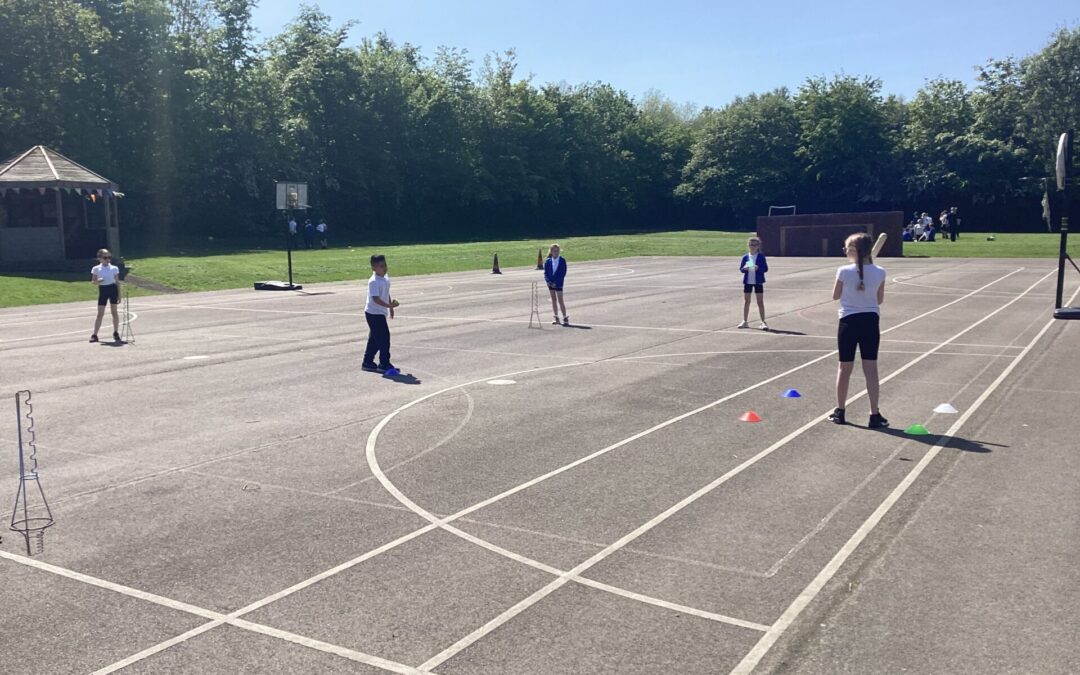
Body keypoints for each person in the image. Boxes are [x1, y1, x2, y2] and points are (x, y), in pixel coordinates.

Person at [828, 233, 888, 429]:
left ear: (855, 251)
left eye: (848, 249)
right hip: (870, 321)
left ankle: (840, 411)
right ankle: (874, 414)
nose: (845, 252)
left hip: (848, 322)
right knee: (871, 369)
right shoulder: (880, 271)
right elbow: (879, 300)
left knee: (844, 368)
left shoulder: (843, 271)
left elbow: (835, 295)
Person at [362, 254, 398, 373]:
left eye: (385, 265)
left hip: (380, 313)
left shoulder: (385, 278)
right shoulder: (374, 281)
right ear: (374, 268)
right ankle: (384, 363)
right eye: (381, 266)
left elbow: (386, 293)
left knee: (374, 339)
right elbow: (375, 299)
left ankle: (367, 362)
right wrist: (388, 306)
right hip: (373, 314)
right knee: (384, 339)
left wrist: (390, 307)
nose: (384, 268)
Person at [89, 248, 122, 343]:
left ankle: (116, 332)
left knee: (114, 312)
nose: (107, 259)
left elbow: (117, 282)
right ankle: (95, 334)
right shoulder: (96, 269)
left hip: (112, 289)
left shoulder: (114, 268)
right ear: (100, 258)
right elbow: (93, 281)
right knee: (100, 313)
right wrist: (97, 281)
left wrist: (119, 295)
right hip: (103, 290)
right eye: (105, 257)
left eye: (109, 257)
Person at [737, 236, 768, 330]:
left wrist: (758, 268)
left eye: (755, 244)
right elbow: (741, 269)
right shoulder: (745, 257)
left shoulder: (761, 256)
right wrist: (744, 269)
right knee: (747, 301)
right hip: (748, 282)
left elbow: (765, 268)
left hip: (758, 281)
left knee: (760, 301)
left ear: (758, 246)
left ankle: (763, 321)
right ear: (748, 245)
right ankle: (745, 321)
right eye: (751, 244)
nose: (753, 246)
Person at [544, 243, 569, 325]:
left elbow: (562, 273)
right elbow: (546, 273)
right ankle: (556, 317)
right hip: (550, 284)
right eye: (554, 251)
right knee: (553, 300)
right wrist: (549, 282)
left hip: (558, 283)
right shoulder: (548, 261)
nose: (556, 252)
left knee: (560, 300)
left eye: (557, 251)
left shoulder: (562, 260)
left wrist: (555, 282)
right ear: (551, 251)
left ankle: (565, 317)